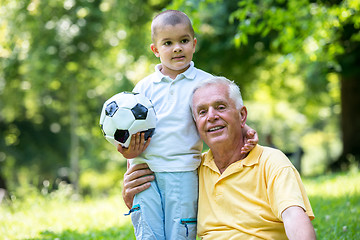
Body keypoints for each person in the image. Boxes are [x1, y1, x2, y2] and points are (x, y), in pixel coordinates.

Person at [117, 10, 258, 240]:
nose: (177, 48)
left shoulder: (205, 82)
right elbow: (126, 129)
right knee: (148, 233)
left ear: (194, 44)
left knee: (180, 232)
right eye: (168, 43)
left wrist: (246, 129)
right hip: (145, 172)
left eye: (183, 41)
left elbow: (226, 112)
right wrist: (125, 150)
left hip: (182, 173)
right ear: (155, 50)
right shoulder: (143, 87)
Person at [123, 77, 317, 239]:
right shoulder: (193, 170)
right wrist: (131, 196)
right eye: (202, 112)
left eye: (220, 107)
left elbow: (294, 217)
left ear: (242, 116)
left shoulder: (270, 161)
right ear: (195, 125)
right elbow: (165, 212)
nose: (211, 116)